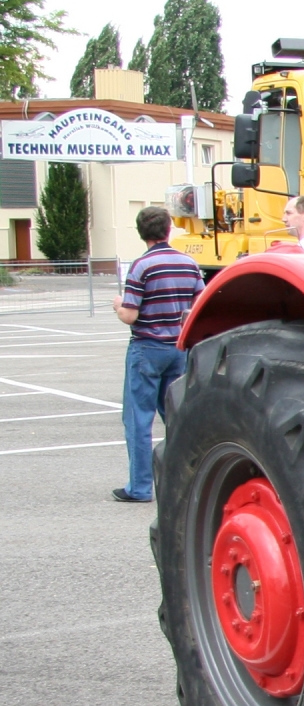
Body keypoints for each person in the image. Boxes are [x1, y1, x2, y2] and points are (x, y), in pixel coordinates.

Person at [112, 205, 205, 503]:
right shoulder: (189, 264)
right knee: (178, 419)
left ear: (142, 233)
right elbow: (199, 306)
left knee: (139, 420)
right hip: (179, 349)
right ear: (168, 229)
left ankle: (139, 487)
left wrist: (118, 305)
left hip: (146, 348)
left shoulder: (141, 266)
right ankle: (190, 483)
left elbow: (130, 314)